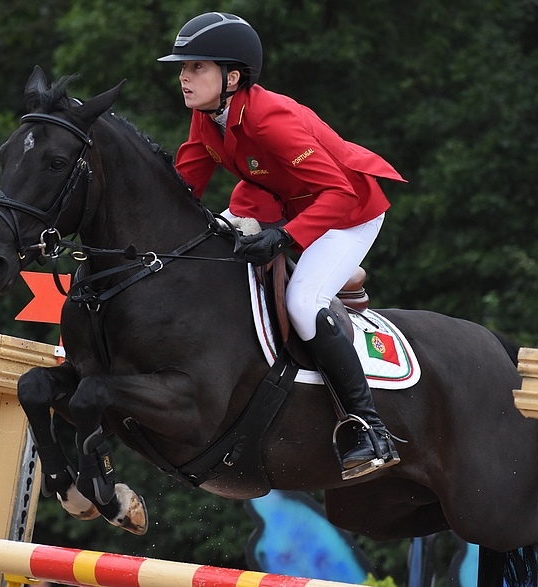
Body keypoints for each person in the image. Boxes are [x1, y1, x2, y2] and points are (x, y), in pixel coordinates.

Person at [159, 13, 406, 473]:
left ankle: (368, 427)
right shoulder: (206, 117)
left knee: (303, 303)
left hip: (348, 212)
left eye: (196, 67)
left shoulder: (273, 120)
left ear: (232, 77)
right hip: (280, 202)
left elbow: (340, 192)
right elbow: (183, 188)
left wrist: (287, 238)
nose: (183, 77)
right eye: (183, 67)